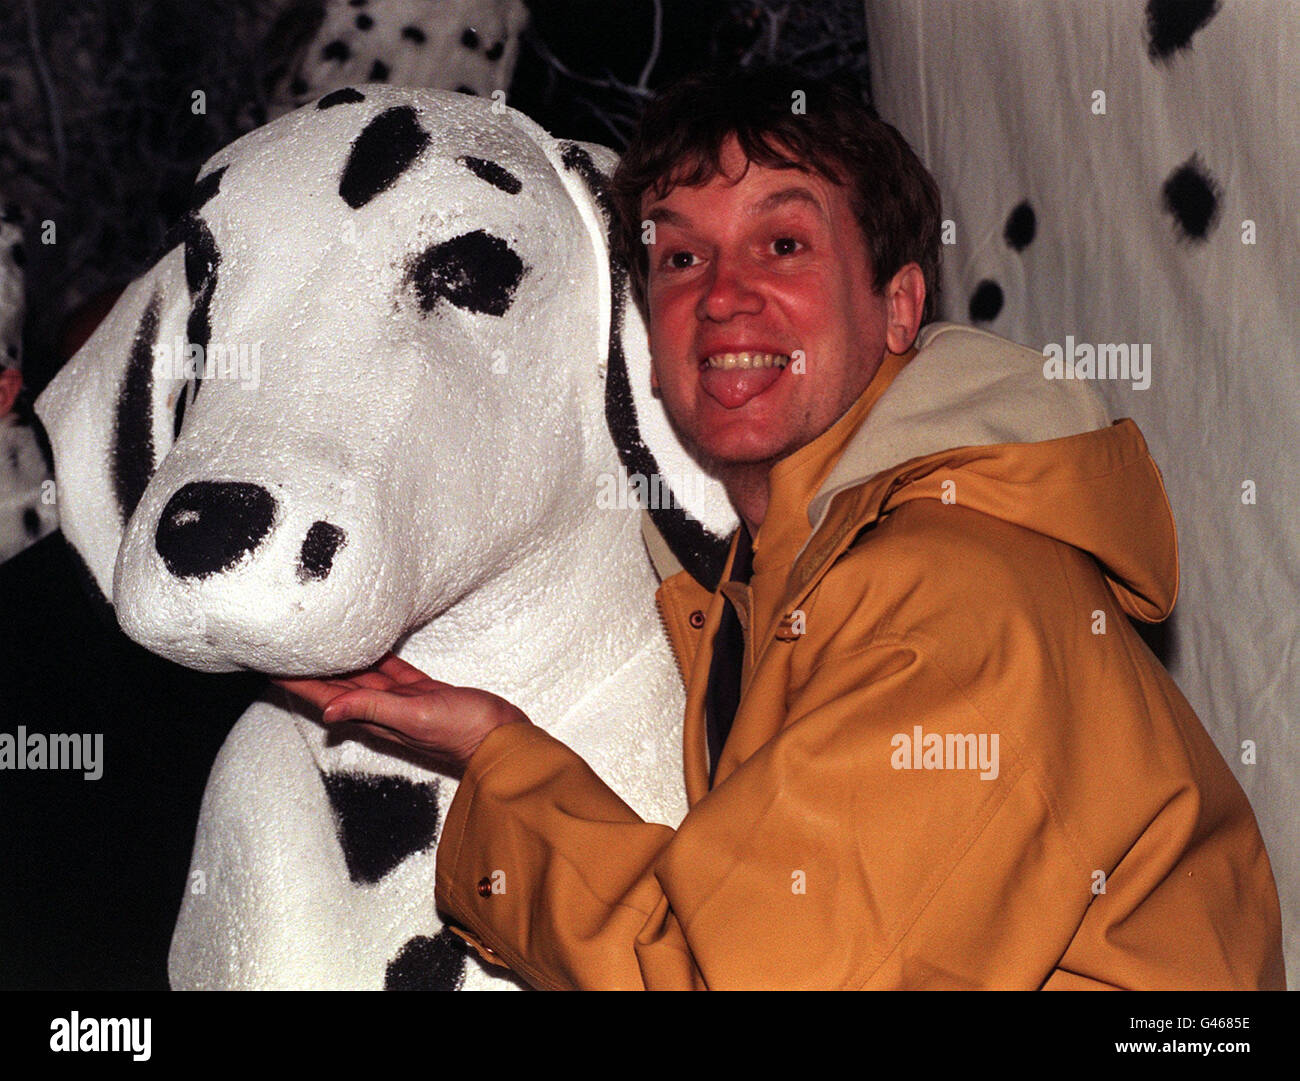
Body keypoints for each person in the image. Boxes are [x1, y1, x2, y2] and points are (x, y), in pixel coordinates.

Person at [278, 67, 1285, 989]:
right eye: (679, 255)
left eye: (784, 243)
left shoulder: (950, 593)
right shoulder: (781, 593)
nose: (721, 294)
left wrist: (504, 786)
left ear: (898, 307)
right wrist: (499, 745)